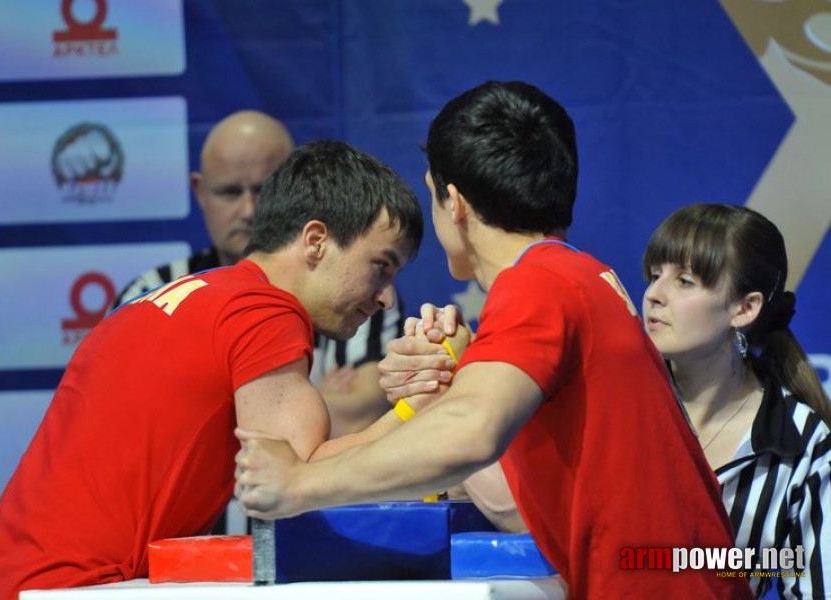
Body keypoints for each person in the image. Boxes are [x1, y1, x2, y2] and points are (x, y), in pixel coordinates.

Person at [234, 81, 752, 598]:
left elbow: (470, 434)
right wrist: (452, 382)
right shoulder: (576, 275)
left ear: (453, 202)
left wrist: (299, 484)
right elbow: (512, 500)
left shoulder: (538, 284)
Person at [0, 140, 425, 598]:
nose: (385, 296)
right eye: (381, 266)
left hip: (5, 581)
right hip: (72, 589)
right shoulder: (263, 311)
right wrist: (421, 410)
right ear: (316, 241)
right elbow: (294, 486)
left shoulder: (166, 299)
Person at [113, 110, 403, 438]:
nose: (249, 210)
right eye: (229, 192)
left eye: (263, 189)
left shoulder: (357, 293)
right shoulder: (152, 290)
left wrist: (231, 402)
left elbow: (360, 414)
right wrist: (299, 398)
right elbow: (136, 419)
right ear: (200, 191)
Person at [642, 203, 831, 599]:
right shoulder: (619, 406)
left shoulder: (807, 444)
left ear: (745, 308)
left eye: (685, 281)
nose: (654, 295)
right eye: (655, 275)